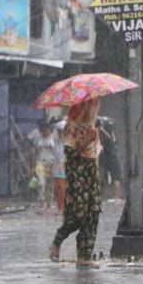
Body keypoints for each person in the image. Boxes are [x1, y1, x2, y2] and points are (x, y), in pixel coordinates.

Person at [49, 98, 102, 269]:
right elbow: (70, 153)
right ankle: (58, 240)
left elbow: (96, 153)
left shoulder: (92, 127)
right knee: (77, 215)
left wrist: (94, 139)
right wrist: (87, 140)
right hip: (77, 177)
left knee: (92, 214)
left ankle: (84, 256)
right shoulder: (71, 127)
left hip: (91, 176)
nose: (93, 108)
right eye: (91, 105)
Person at [31, 120, 55, 212]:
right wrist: (33, 166)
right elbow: (35, 152)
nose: (45, 132)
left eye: (47, 130)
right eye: (44, 130)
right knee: (41, 183)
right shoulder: (38, 138)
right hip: (40, 162)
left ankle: (50, 202)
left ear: (50, 130)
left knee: (50, 184)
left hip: (51, 163)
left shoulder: (54, 138)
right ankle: (42, 201)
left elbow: (57, 152)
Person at [97, 118, 123, 201]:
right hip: (109, 158)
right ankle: (113, 196)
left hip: (111, 158)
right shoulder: (112, 136)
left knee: (115, 177)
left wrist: (101, 129)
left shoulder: (109, 137)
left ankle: (116, 196)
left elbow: (108, 137)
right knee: (108, 176)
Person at [52, 120, 67, 213]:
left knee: (63, 188)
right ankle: (60, 206)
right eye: (59, 131)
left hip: (67, 167)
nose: (61, 133)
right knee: (57, 188)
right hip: (57, 167)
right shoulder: (55, 141)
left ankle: (64, 207)